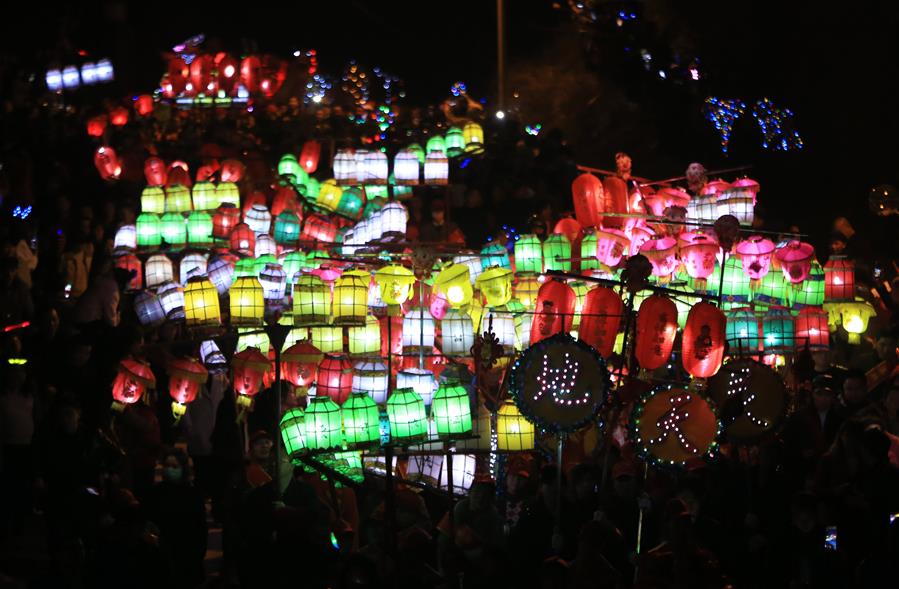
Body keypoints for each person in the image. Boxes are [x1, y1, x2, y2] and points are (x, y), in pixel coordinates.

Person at [144, 448, 207, 589]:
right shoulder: (156, 493)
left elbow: (200, 527)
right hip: (163, 553)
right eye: (167, 466)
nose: (169, 470)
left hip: (187, 553)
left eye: (174, 466)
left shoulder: (193, 494)